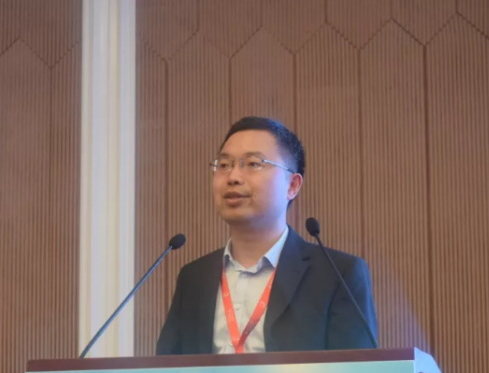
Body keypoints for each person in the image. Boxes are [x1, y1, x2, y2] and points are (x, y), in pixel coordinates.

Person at [156, 116, 378, 355]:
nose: (233, 177)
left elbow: (357, 371)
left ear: (292, 186)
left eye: (253, 163)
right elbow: (167, 369)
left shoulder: (338, 275)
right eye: (224, 165)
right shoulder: (194, 277)